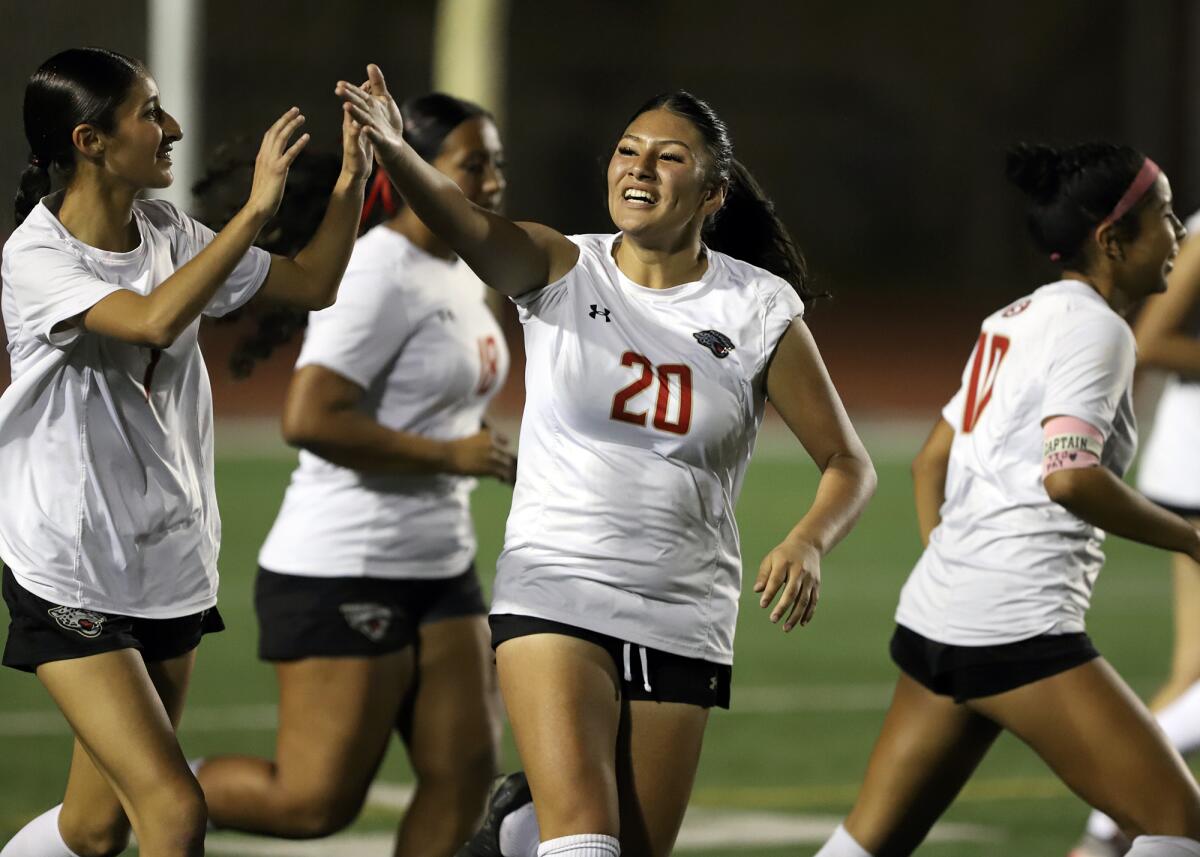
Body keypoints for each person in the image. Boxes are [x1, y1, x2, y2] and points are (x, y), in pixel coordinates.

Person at [338, 65, 877, 857]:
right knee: (586, 839)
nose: (640, 168)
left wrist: (808, 540)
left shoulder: (758, 306)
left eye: (668, 157)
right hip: (557, 582)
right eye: (629, 151)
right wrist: (395, 149)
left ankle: (512, 834)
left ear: (713, 191)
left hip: (685, 604)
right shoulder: (562, 268)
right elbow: (463, 223)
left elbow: (846, 461)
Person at [0, 47, 368, 857]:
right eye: (149, 112)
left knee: (92, 828)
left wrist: (351, 183)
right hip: (69, 560)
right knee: (172, 810)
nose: (171, 128)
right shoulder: (36, 255)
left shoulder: (166, 228)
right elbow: (152, 319)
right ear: (91, 141)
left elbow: (312, 283)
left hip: (165, 558)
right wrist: (253, 210)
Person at [810, 142, 1200, 857]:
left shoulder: (1014, 316)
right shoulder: (1098, 329)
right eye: (1167, 216)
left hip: (941, 610)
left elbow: (930, 462)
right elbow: (1071, 476)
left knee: (867, 842)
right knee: (1177, 822)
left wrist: (958, 568)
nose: (1179, 233)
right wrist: (1190, 538)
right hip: (1016, 626)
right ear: (1113, 240)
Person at [191, 92, 515, 857]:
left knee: (465, 772)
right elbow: (308, 417)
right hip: (344, 563)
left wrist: (457, 437)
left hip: (439, 561)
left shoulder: (465, 265)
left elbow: (430, 397)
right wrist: (447, 454)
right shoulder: (378, 270)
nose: (496, 181)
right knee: (313, 802)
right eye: (476, 165)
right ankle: (133, 792)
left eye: (499, 162)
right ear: (414, 171)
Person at [1073, 212, 1200, 857]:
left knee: (1194, 676)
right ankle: (1109, 829)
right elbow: (1154, 340)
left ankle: (1107, 835)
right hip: (1197, 466)